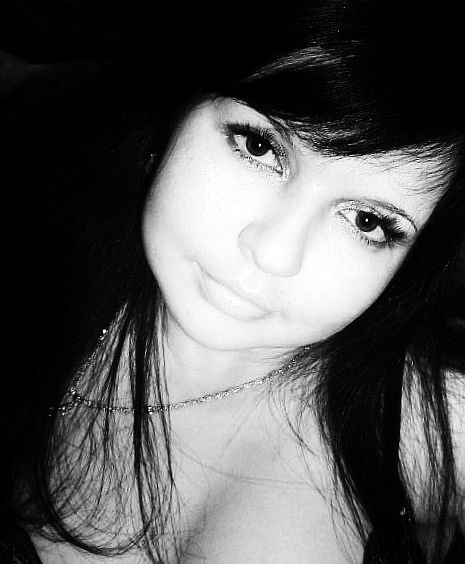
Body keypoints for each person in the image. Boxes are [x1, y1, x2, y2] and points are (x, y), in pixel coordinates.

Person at [1, 0, 464, 562]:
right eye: (259, 146)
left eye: (368, 221)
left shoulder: (429, 417)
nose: (275, 253)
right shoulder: (32, 242)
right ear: (178, 105)